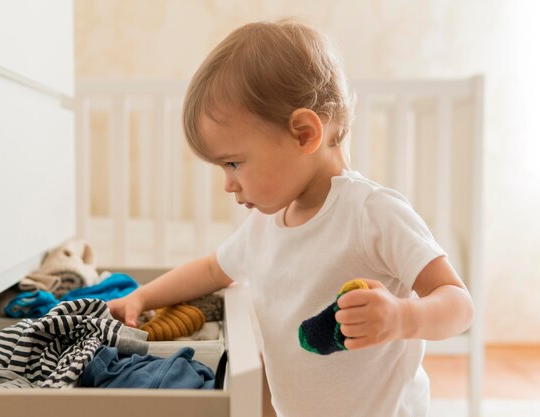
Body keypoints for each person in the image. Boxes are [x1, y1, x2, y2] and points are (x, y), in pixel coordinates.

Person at [107, 19, 474, 417]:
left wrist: (403, 317)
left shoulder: (372, 213)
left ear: (303, 133)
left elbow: (458, 306)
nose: (228, 184)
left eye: (234, 163)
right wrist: (143, 297)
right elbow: (213, 268)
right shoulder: (267, 223)